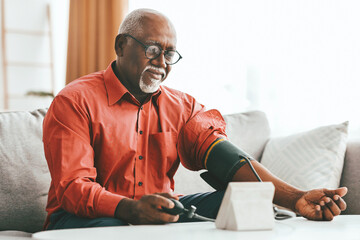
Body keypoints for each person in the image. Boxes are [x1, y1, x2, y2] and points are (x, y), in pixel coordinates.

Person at [43, 8, 347, 230]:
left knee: (238, 204)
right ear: (121, 46)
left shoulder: (182, 107)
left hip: (156, 211)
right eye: (152, 50)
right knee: (113, 228)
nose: (161, 63)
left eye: (169, 53)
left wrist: (296, 198)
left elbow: (229, 161)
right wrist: (130, 209)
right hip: (83, 218)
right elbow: (73, 190)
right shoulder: (75, 101)